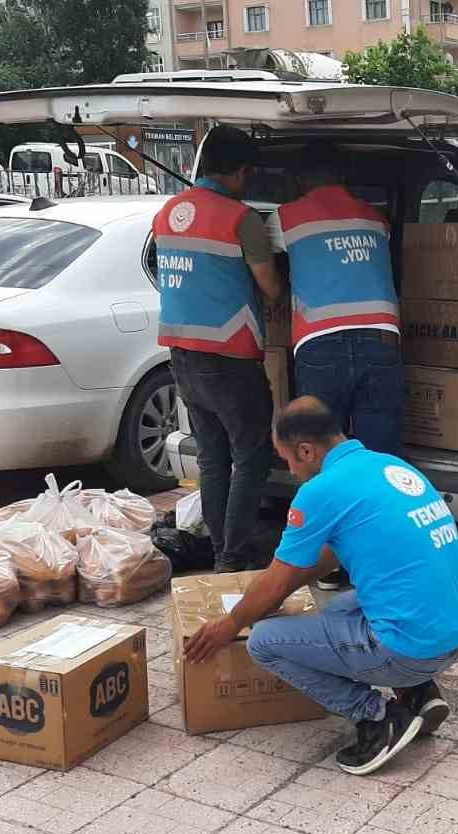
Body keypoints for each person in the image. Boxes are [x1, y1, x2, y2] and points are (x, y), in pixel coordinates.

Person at [184, 397, 458, 776]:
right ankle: (418, 692)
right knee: (337, 609)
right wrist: (279, 589)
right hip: (453, 630)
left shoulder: (320, 490)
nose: (288, 468)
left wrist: (230, 624)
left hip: (411, 648)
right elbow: (320, 560)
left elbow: (275, 579)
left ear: (307, 450)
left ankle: (378, 719)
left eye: (287, 457)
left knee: (264, 642)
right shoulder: (386, 465)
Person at [154, 125, 283, 573]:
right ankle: (233, 555)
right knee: (250, 455)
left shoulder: (168, 212)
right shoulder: (241, 218)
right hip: (230, 355)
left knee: (212, 457)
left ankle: (218, 547)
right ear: (242, 171)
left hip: (182, 355)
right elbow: (270, 286)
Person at [276, 142, 403, 455]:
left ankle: (332, 503)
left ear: (299, 180)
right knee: (379, 451)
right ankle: (378, 503)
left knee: (322, 450)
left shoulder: (284, 218)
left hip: (319, 345)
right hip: (381, 340)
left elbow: (267, 269)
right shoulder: (375, 218)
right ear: (344, 176)